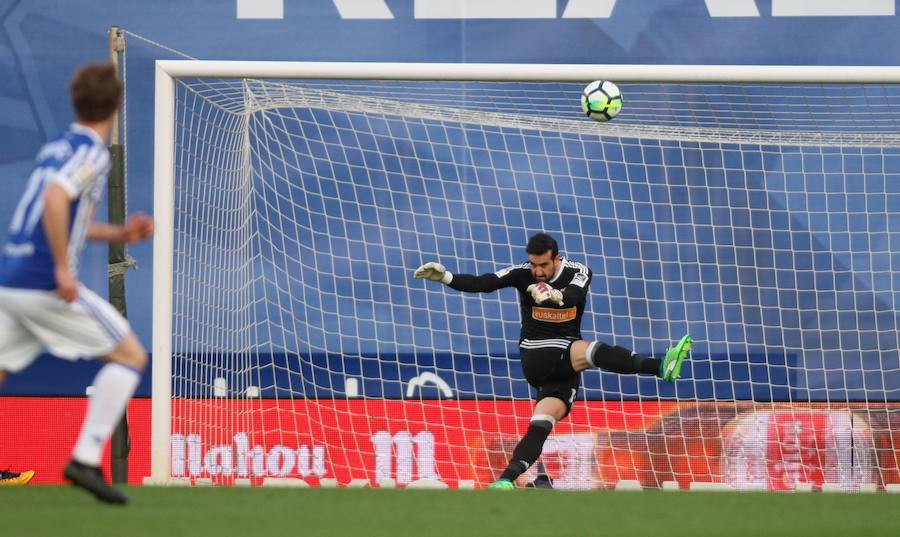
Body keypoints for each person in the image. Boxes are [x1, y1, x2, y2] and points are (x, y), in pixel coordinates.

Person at [414, 232, 691, 489]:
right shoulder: (523, 274)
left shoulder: (578, 271)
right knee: (591, 350)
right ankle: (659, 367)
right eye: (534, 265)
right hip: (537, 354)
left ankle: (507, 479)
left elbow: (575, 295)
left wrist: (555, 296)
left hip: (562, 373)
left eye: (543, 265)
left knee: (541, 424)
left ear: (556, 259)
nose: (537, 271)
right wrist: (446, 277)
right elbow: (485, 283)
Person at [0, 62, 153, 504]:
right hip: (42, 282)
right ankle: (85, 459)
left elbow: (64, 214)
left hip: (13, 276)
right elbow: (54, 199)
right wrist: (62, 272)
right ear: (117, 106)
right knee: (129, 355)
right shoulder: (92, 152)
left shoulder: (56, 147)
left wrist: (120, 234)